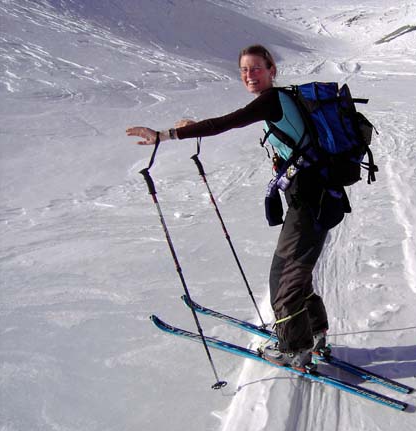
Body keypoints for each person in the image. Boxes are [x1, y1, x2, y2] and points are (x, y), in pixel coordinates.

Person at [126, 44, 332, 370]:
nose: (249, 75)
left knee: (283, 277)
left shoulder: (273, 100)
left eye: (256, 68)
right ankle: (316, 333)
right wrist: (192, 126)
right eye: (244, 70)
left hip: (310, 203)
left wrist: (165, 135)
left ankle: (296, 349)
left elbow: (225, 123)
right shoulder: (280, 101)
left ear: (271, 70)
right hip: (314, 199)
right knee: (296, 271)